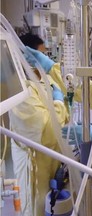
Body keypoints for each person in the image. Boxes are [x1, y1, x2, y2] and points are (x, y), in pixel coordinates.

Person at [9, 33, 69, 215]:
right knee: (36, 207)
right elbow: (46, 131)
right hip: (35, 164)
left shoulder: (46, 80)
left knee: (53, 205)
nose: (42, 61)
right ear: (25, 56)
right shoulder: (19, 89)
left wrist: (60, 109)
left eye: (44, 56)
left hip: (53, 159)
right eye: (39, 55)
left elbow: (64, 115)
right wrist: (60, 105)